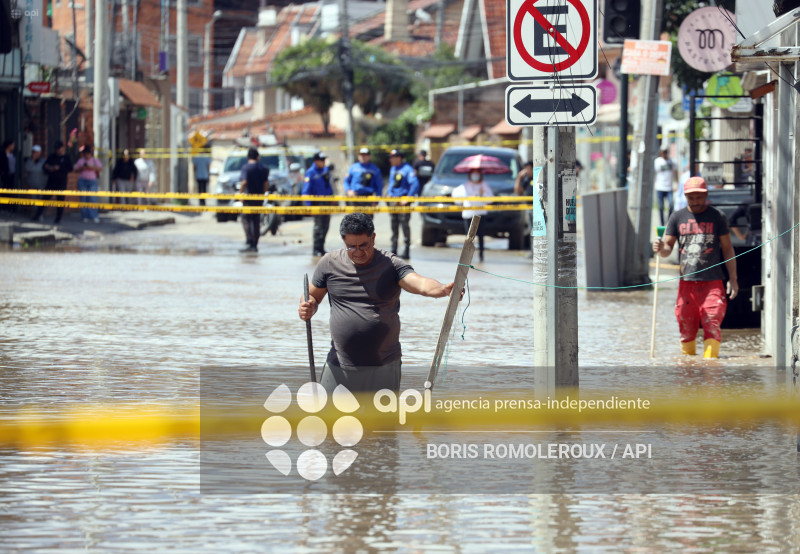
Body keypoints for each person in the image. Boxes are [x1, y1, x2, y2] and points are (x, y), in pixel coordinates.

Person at [297, 212, 459, 393]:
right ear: (344, 241)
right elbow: (311, 296)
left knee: (382, 421)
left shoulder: (391, 264)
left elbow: (419, 283)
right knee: (331, 420)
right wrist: (307, 306)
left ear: (373, 238)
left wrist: (443, 290)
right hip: (339, 364)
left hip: (384, 365)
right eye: (352, 247)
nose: (358, 252)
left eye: (364, 245)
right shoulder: (329, 263)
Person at [652, 177, 738, 359]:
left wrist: (733, 279)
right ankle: (688, 367)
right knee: (685, 325)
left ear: (706, 195)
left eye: (699, 197)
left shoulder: (717, 216)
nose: (695, 201)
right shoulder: (677, 217)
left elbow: (728, 248)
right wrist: (661, 249)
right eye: (691, 198)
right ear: (686, 197)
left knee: (712, 320)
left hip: (713, 282)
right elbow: (667, 249)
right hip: (687, 283)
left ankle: (711, 368)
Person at [452, 167, 494, 263]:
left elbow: (490, 199)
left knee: (481, 235)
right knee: (469, 238)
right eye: (473, 173)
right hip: (469, 214)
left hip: (480, 214)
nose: (475, 175)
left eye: (477, 173)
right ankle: (467, 256)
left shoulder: (484, 185)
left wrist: (483, 194)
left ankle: (481, 255)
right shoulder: (465, 186)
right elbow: (456, 198)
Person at [387, 149, 420, 259]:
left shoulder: (407, 169)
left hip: (403, 203)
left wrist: (408, 197)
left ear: (399, 158)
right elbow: (392, 184)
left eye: (392, 157)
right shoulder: (393, 169)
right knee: (394, 225)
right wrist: (388, 193)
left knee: (404, 225)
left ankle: (406, 251)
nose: (390, 160)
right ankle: (394, 249)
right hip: (393, 201)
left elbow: (415, 184)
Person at [33, 140, 73, 224]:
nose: (57, 150)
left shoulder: (66, 157)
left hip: (61, 182)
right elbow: (45, 166)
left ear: (62, 148)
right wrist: (49, 168)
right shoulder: (52, 156)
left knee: (60, 201)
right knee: (45, 199)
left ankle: (58, 218)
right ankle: (37, 215)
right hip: (51, 181)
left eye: (59, 148)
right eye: (56, 149)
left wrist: (60, 168)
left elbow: (70, 168)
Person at [302, 151, 333, 256]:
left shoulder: (325, 171)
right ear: (315, 161)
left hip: (326, 201)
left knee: (326, 225)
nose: (324, 162)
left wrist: (332, 197)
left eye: (324, 160)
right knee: (318, 226)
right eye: (321, 160)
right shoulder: (310, 172)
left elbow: (328, 185)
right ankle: (316, 248)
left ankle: (321, 247)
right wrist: (309, 206)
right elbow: (306, 191)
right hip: (317, 202)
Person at [238, 147, 269, 253]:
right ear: (257, 157)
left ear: (248, 157)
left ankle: (249, 242)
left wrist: (240, 194)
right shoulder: (262, 168)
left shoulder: (246, 168)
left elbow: (244, 182)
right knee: (256, 221)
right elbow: (266, 184)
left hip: (248, 199)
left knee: (246, 219)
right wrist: (263, 194)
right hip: (259, 198)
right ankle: (255, 244)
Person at [343, 147, 382, 219]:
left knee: (367, 223)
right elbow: (346, 181)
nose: (363, 157)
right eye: (361, 155)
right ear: (358, 156)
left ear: (369, 156)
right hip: (354, 198)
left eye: (365, 155)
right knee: (353, 222)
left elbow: (379, 186)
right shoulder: (353, 167)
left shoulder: (375, 169)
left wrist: (376, 202)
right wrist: (348, 191)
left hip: (368, 198)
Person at [74, 145, 102, 223]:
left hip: (92, 181)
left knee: (92, 198)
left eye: (88, 154)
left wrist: (91, 167)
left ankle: (94, 216)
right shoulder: (81, 160)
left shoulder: (94, 160)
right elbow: (75, 170)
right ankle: (84, 216)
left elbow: (100, 168)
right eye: (85, 154)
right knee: (83, 198)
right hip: (82, 181)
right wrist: (82, 168)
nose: (87, 155)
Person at [514, 161, 535, 259]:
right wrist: (519, 177)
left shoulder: (539, 178)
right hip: (530, 209)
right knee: (532, 231)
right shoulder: (527, 179)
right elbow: (517, 191)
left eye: (528, 169)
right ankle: (533, 252)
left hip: (539, 209)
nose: (526, 171)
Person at [654, 148, 678, 225]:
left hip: (669, 187)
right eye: (663, 152)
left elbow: (675, 172)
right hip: (660, 187)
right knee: (661, 206)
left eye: (665, 152)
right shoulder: (657, 161)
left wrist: (676, 184)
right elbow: (654, 173)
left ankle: (669, 221)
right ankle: (662, 223)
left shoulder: (672, 161)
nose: (664, 154)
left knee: (671, 204)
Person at [25, 145, 47, 220]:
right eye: (34, 152)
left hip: (41, 183)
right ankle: (36, 214)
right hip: (32, 183)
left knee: (41, 199)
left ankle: (41, 214)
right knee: (34, 200)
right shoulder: (29, 161)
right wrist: (33, 161)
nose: (35, 154)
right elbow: (27, 169)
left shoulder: (43, 161)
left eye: (37, 152)